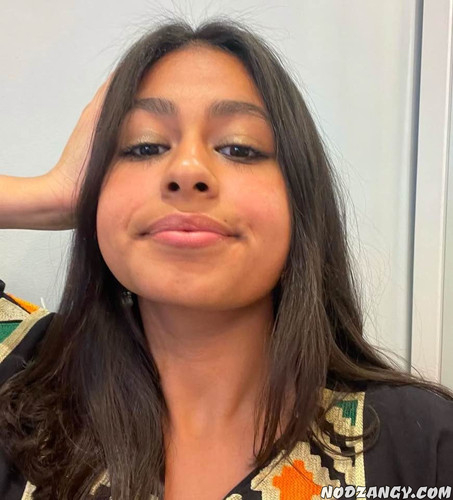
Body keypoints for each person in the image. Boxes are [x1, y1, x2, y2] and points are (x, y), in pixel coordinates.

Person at [0, 16, 452, 500]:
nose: (187, 169)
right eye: (144, 146)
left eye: (239, 148)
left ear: (301, 203)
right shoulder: (17, 385)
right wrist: (50, 194)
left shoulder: (420, 446)